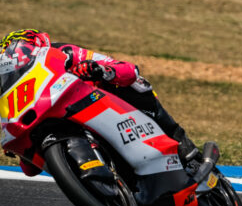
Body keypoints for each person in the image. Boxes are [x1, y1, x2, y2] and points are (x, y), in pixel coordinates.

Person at [0, 29, 198, 175]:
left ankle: (177, 136)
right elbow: (31, 170)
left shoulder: (64, 51)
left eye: (27, 51)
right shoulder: (19, 89)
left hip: (105, 102)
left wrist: (101, 70)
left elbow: (127, 69)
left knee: (137, 85)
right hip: (58, 112)